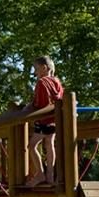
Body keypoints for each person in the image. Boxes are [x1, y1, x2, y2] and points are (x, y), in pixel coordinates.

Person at [25, 56, 65, 187]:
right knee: (49, 144)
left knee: (31, 146)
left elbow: (40, 103)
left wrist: (29, 108)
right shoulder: (57, 82)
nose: (35, 73)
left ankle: (40, 174)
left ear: (44, 68)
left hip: (44, 120)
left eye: (36, 69)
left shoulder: (42, 82)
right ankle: (50, 175)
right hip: (55, 120)